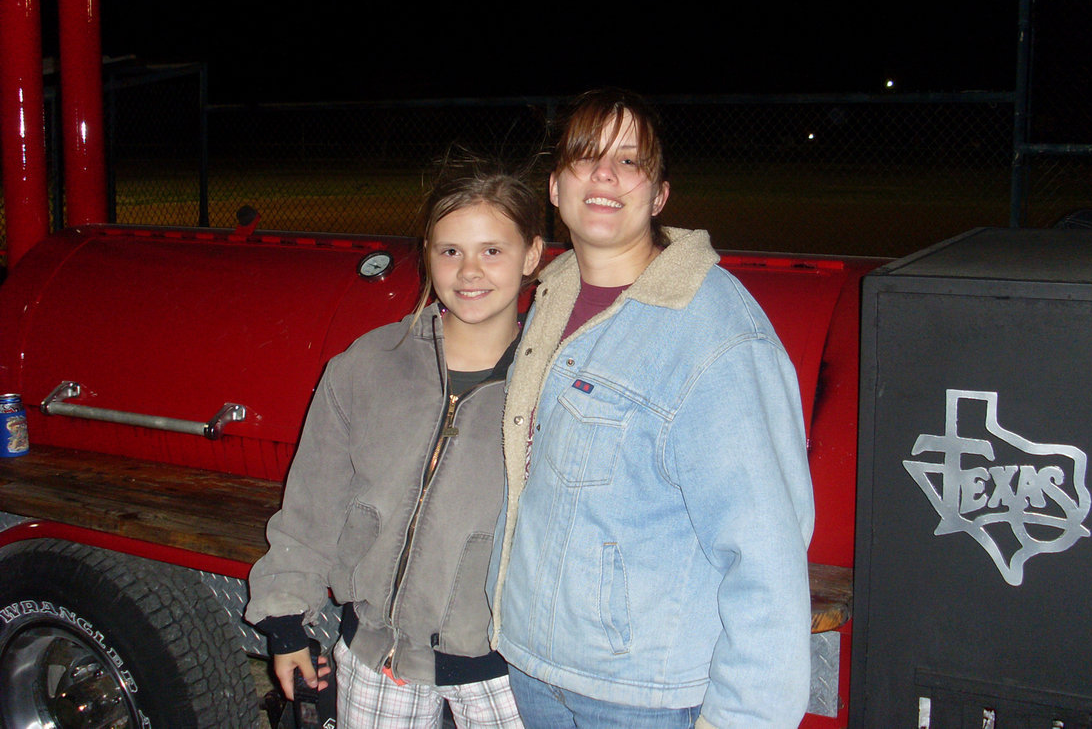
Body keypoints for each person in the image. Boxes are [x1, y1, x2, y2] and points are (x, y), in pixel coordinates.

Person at [488, 88, 815, 729]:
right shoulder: (549, 296)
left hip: (642, 697)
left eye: (630, 161)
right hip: (532, 667)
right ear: (555, 188)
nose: (606, 175)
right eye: (586, 157)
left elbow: (766, 555)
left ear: (659, 195)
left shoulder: (718, 335)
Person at [246, 159, 544, 729]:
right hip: (377, 659)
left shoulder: (555, 382)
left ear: (532, 255)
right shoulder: (368, 366)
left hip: (508, 671)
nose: (469, 271)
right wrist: (286, 621)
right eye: (450, 251)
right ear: (427, 254)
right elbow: (313, 505)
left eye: (492, 250)